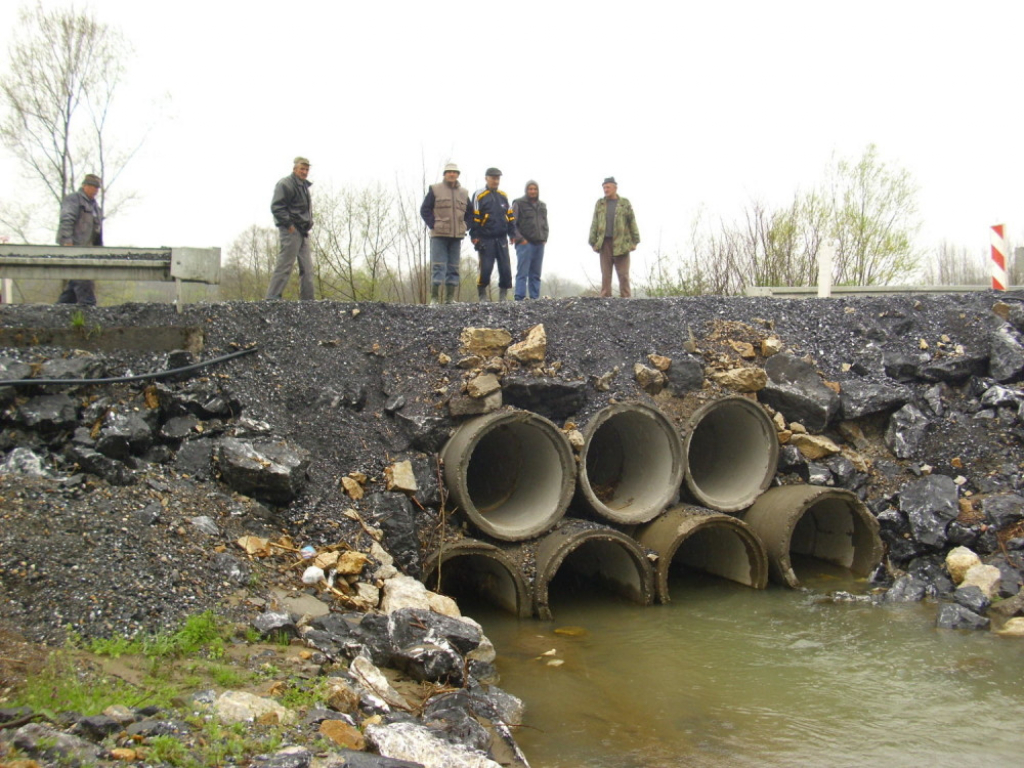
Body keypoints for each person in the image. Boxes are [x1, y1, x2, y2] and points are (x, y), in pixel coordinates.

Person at [420, 162, 473, 303]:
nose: (452, 174)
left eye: (454, 172)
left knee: (454, 267)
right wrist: (433, 224)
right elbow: (425, 209)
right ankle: (434, 298)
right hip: (439, 235)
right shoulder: (435, 189)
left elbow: (471, 214)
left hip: (456, 237)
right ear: (444, 174)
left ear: (458, 175)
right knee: (438, 265)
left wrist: (465, 226)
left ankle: (450, 298)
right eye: (449, 172)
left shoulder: (464, 193)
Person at [267, 157, 315, 300]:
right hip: (291, 230)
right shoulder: (285, 184)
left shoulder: (304, 186)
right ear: (295, 169)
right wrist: (289, 226)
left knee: (307, 269)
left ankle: (308, 302)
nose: (304, 172)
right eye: (302, 169)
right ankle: (272, 298)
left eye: (306, 169)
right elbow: (277, 207)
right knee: (285, 265)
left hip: (303, 231)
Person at [55, 173, 103, 305]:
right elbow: (67, 219)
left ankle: (58, 310)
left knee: (73, 287)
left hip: (87, 250)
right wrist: (67, 241)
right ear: (85, 186)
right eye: (93, 187)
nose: (96, 190)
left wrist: (99, 251)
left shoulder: (95, 207)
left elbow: (97, 230)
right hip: (75, 248)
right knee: (83, 282)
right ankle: (89, 311)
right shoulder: (74, 199)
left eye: (97, 188)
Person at [588, 176, 640, 298]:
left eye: (608, 187)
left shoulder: (624, 203)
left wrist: (635, 241)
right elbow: (595, 222)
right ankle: (605, 300)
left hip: (622, 243)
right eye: (604, 188)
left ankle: (626, 299)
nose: (606, 190)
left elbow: (632, 221)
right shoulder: (600, 204)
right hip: (604, 243)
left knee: (623, 275)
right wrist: (592, 242)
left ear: (615, 188)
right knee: (605, 274)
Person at [470, 168, 515, 302]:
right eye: (493, 178)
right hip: (485, 238)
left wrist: (512, 233)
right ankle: (482, 294)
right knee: (486, 268)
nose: (496, 181)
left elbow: (510, 216)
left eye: (497, 178)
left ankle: (503, 295)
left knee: (505, 268)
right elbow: (474, 216)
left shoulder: (503, 196)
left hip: (501, 238)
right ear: (486, 178)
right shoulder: (479, 195)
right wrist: (474, 235)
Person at [511, 180, 548, 300]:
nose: (533, 191)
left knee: (536, 274)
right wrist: (520, 239)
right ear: (526, 190)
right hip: (524, 243)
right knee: (522, 272)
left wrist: (545, 237)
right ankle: (519, 297)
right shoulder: (518, 203)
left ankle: (534, 298)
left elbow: (545, 223)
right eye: (530, 189)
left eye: (535, 189)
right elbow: (512, 223)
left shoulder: (542, 206)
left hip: (539, 243)